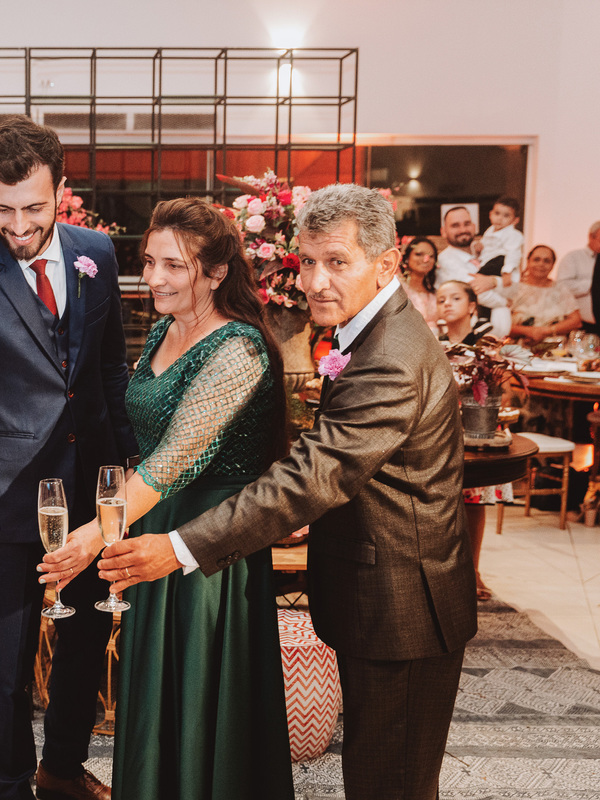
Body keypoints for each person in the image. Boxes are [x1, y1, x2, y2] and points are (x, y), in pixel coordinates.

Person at [99, 184, 476, 800]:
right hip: (379, 595)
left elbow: (312, 476)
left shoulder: (392, 356)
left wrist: (180, 548)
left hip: (402, 604)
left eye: (338, 262)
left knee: (392, 786)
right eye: (308, 262)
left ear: (387, 263)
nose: (316, 282)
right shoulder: (369, 333)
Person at [40, 197, 293, 798]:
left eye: (174, 266)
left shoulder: (240, 349)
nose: (153, 277)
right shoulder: (163, 330)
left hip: (210, 549)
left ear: (216, 272)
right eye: (150, 261)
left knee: (203, 693)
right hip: (151, 527)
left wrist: (92, 535)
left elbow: (176, 456)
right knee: (154, 690)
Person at [0, 116, 139, 800]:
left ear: (62, 192)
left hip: (92, 486)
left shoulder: (97, 254)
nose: (18, 227)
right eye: (2, 209)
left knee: (86, 640)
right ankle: (12, 784)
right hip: (9, 493)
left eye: (34, 209)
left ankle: (62, 769)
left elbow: (109, 370)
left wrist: (133, 474)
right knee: (7, 660)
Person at [436, 280, 506, 601]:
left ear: (472, 306)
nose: (447, 304)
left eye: (455, 298)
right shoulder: (431, 342)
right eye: (441, 299)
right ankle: (444, 570)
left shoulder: (486, 345)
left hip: (475, 428)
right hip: (439, 430)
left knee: (474, 499)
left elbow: (496, 389)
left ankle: (474, 569)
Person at [436, 205, 510, 335]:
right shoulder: (445, 261)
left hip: (498, 333)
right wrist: (507, 301)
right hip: (469, 336)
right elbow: (479, 293)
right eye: (455, 225)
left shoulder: (485, 253)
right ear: (443, 231)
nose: (463, 229)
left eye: (467, 224)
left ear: (474, 227)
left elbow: (512, 284)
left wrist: (494, 281)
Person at [500, 245, 582, 345]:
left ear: (552, 265)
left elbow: (576, 321)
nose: (541, 264)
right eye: (536, 259)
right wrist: (528, 331)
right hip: (516, 350)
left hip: (554, 352)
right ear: (528, 262)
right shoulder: (513, 289)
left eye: (546, 261)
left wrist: (546, 331)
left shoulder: (561, 290)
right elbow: (499, 323)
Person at [552, 220, 600, 334]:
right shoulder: (573, 258)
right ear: (591, 237)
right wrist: (594, 284)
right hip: (583, 326)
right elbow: (562, 287)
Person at [476, 196, 525, 279]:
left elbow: (513, 254)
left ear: (515, 220)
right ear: (490, 214)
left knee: (500, 259)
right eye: (497, 213)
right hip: (487, 262)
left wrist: (507, 271)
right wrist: (479, 245)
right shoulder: (490, 230)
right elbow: (484, 244)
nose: (499, 218)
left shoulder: (513, 234)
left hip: (502, 265)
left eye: (506, 216)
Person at [435, 280, 493, 345]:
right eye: (441, 301)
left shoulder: (486, 342)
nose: (447, 303)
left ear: (471, 307)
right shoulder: (434, 344)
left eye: (456, 298)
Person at [401, 236, 439, 329]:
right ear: (407, 257)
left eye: (431, 256)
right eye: (418, 254)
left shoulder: (435, 293)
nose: (425, 259)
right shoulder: (396, 287)